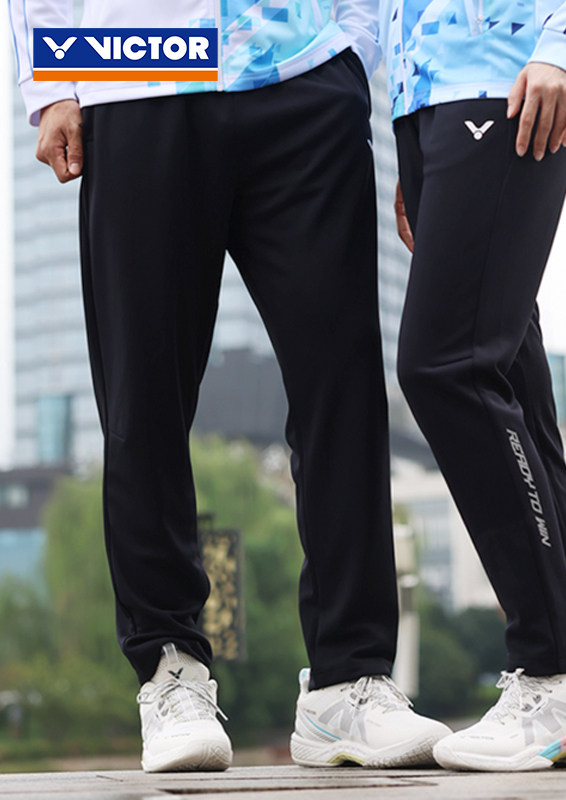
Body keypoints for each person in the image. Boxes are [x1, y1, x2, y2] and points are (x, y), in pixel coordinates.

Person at [9, 0, 450, 773]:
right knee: (144, 397)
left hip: (301, 64)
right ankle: (171, 671)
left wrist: (354, 47)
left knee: (344, 389)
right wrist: (51, 83)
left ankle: (349, 680)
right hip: (139, 66)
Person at [379, 0, 566, 771]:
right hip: (429, 98)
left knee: (446, 364)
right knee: (512, 381)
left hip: (510, 75)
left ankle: (556, 671)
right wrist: (411, 127)